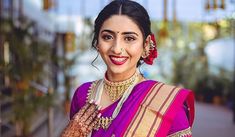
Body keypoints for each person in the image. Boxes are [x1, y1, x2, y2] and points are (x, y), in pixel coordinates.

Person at [61, 0, 195, 137]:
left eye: (129, 38)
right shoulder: (83, 95)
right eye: (107, 37)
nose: (117, 49)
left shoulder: (166, 104)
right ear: (97, 42)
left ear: (146, 44)